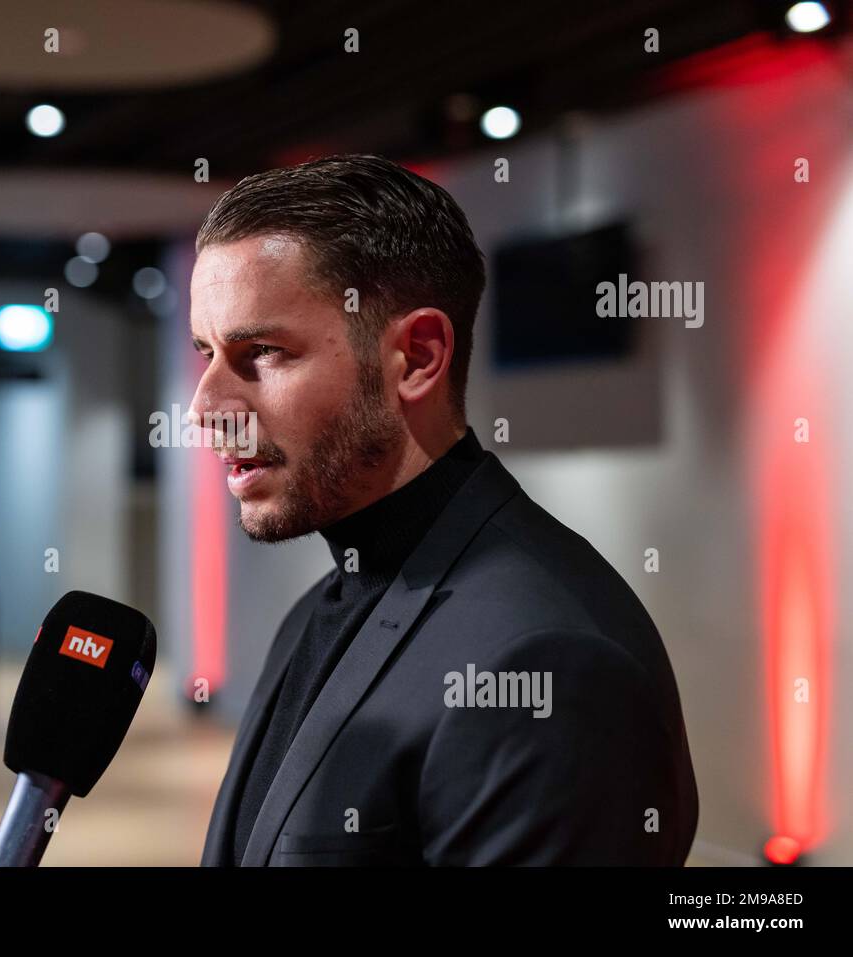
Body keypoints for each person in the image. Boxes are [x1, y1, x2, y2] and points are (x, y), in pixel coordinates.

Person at [190, 154, 698, 866]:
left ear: (417, 357)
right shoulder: (314, 610)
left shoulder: (550, 666)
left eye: (262, 352)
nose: (205, 410)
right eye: (205, 353)